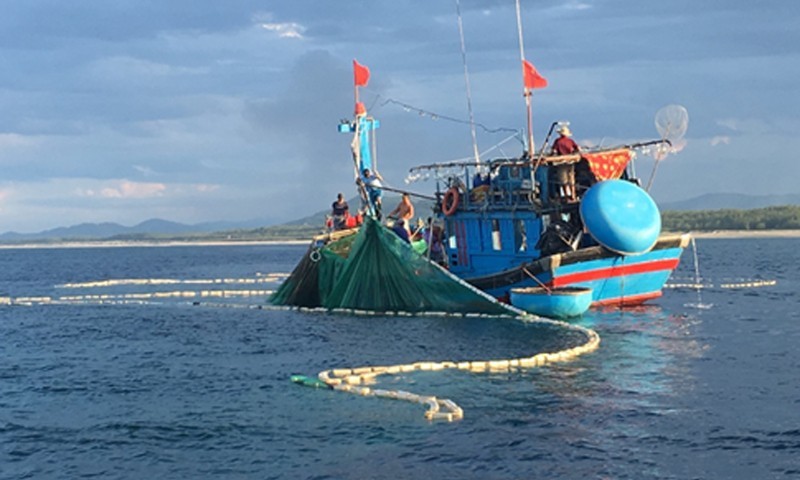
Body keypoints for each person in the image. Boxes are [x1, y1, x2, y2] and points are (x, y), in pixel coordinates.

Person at [550, 125, 580, 201]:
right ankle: (573, 195)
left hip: (561, 162)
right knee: (571, 179)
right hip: (570, 161)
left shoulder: (558, 141)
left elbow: (553, 151)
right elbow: (578, 148)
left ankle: (566, 196)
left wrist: (552, 155)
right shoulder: (570, 141)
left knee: (563, 181)